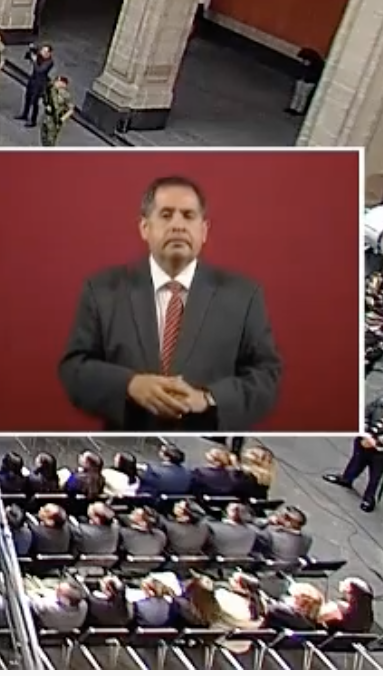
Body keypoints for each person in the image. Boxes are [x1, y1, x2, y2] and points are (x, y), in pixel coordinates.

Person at [56, 176, 282, 432]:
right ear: (144, 227)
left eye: (188, 216)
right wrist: (130, 385)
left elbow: (266, 376)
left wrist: (207, 399)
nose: (178, 225)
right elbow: (74, 369)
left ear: (204, 230)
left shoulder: (244, 296)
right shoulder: (102, 290)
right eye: (166, 215)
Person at [40, 75, 75, 146]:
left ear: (63, 84)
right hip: (47, 117)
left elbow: (71, 110)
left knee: (50, 140)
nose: (56, 83)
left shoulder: (66, 95)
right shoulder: (51, 90)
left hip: (55, 120)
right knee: (43, 136)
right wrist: (46, 105)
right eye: (56, 81)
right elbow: (45, 97)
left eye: (58, 82)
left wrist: (61, 119)